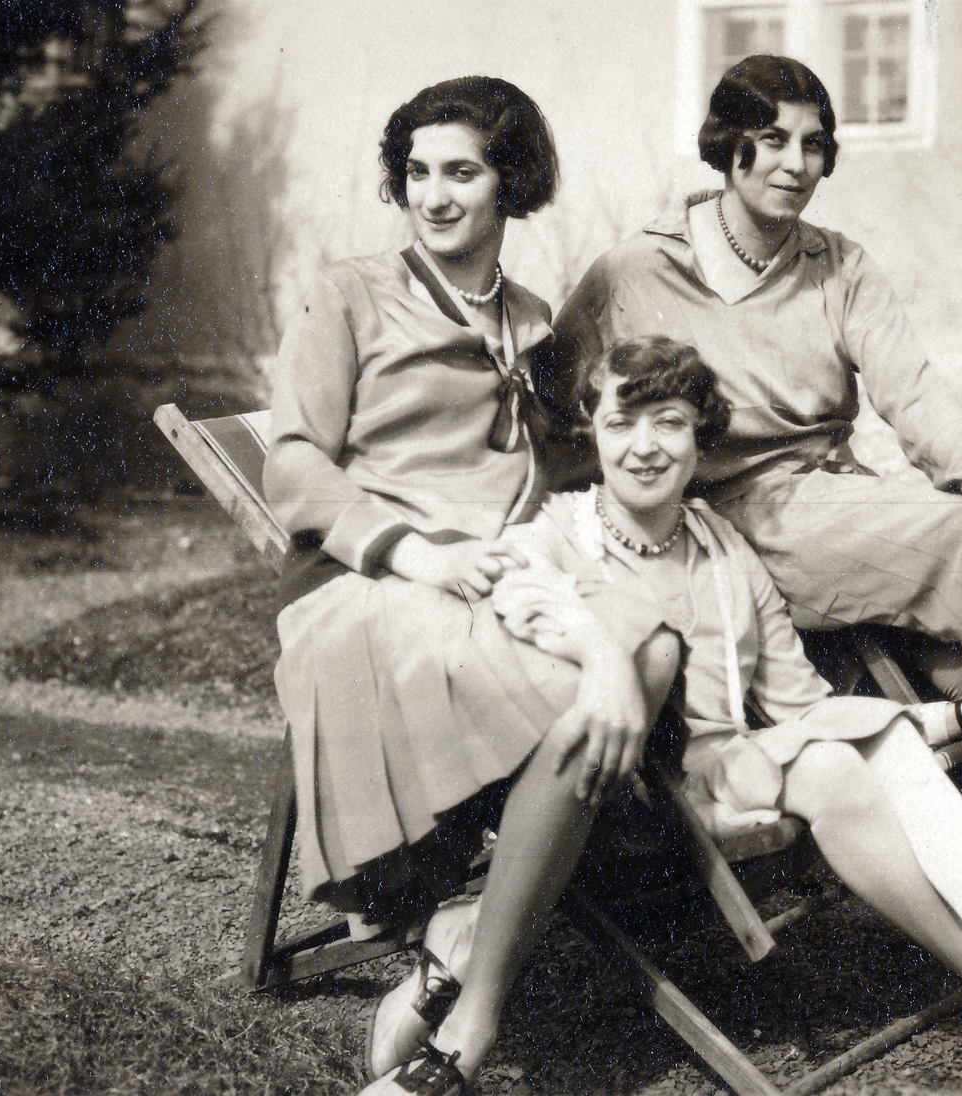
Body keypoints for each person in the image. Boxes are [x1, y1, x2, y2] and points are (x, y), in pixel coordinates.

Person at [541, 54, 962, 905]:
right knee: (957, 544)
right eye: (770, 141)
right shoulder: (633, 272)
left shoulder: (838, 266)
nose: (794, 165)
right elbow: (554, 399)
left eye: (813, 145)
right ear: (728, 147)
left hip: (826, 497)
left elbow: (912, 390)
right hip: (717, 520)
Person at [491, 336, 962, 1095]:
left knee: (850, 750)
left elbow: (808, 705)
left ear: (701, 437)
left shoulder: (721, 545)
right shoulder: (556, 536)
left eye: (668, 422)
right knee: (831, 762)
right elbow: (514, 600)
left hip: (739, 767)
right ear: (590, 431)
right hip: (631, 792)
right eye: (621, 423)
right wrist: (595, 650)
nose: (645, 447)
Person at [262, 77, 678, 1096]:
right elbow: (292, 464)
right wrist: (421, 553)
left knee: (658, 641)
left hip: (503, 575)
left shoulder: (534, 321)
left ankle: (460, 933)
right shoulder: (351, 291)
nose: (435, 195)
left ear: (510, 185)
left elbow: (564, 465)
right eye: (417, 173)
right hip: (375, 582)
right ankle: (477, 1005)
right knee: (581, 693)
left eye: (462, 171)